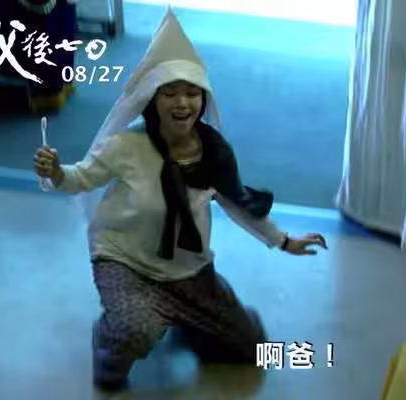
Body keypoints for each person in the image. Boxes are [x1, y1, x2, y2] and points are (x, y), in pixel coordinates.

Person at [32, 7, 327, 394]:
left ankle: (188, 323)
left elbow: (238, 203)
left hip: (189, 269)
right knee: (135, 332)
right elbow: (81, 178)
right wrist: (56, 171)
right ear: (151, 100)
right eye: (170, 93)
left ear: (204, 98)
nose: (182, 103)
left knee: (248, 347)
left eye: (191, 92)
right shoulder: (127, 145)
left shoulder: (214, 152)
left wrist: (285, 241)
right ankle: (108, 339)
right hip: (126, 262)